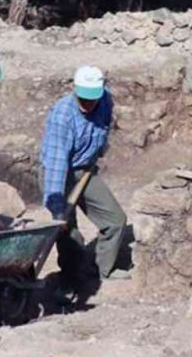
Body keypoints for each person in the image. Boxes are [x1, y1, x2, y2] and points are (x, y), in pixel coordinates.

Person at [40, 66, 129, 304]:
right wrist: (58, 207)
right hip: (60, 173)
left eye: (93, 98)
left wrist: (96, 153)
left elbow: (104, 126)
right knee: (68, 232)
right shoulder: (64, 115)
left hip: (85, 171)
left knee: (115, 221)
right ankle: (70, 280)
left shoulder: (105, 100)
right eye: (84, 98)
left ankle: (100, 273)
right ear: (75, 90)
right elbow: (57, 163)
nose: (88, 103)